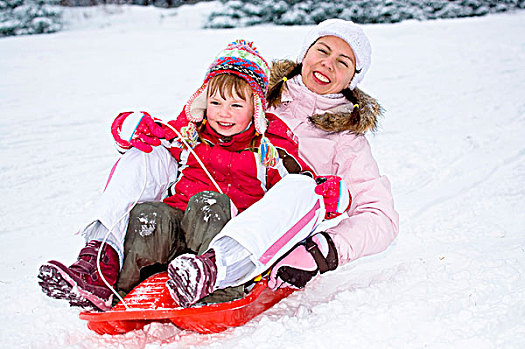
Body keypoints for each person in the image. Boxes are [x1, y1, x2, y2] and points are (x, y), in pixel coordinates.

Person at [37, 40, 342, 311]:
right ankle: (100, 265)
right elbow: (149, 136)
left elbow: (295, 181)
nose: (223, 113)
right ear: (204, 99)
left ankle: (212, 273)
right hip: (172, 235)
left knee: (295, 191)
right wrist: (127, 128)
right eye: (216, 102)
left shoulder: (270, 144)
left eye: (236, 104)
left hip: (224, 241)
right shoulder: (189, 130)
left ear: (257, 108)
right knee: (146, 155)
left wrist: (324, 192)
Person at [164, 19, 399, 307]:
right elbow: (191, 126)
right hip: (205, 203)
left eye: (343, 62)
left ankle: (214, 268)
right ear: (305, 54)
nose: (327, 64)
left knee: (302, 187)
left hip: (271, 229)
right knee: (147, 153)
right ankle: (104, 254)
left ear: (352, 78)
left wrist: (322, 251)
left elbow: (381, 217)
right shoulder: (257, 93)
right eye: (322, 50)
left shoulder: (346, 140)